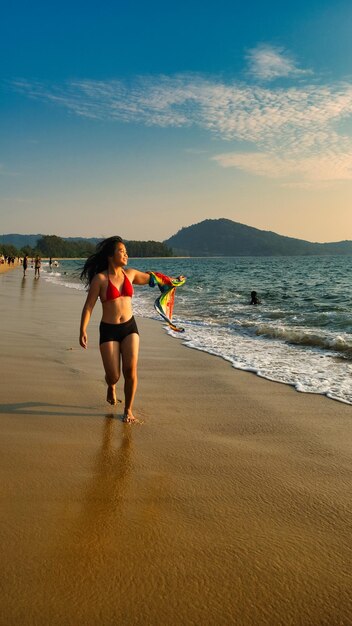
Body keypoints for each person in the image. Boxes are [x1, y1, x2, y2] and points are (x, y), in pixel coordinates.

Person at [79, 236, 152, 423]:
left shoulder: (131, 274)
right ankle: (111, 385)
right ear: (111, 256)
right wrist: (83, 330)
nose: (126, 254)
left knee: (130, 370)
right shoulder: (100, 279)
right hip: (109, 330)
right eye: (121, 250)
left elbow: (151, 278)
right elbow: (89, 306)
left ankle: (128, 410)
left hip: (129, 327)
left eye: (126, 251)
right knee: (114, 375)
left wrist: (171, 281)